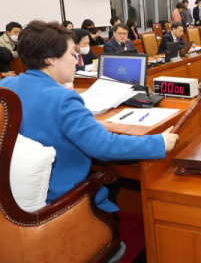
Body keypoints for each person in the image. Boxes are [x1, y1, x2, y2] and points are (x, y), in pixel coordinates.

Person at [0, 20, 179, 213]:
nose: (76, 58)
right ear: (50, 58)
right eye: (71, 53)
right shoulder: (63, 99)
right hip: (58, 199)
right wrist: (159, 142)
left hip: (11, 194)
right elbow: (105, 146)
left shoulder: (8, 85)